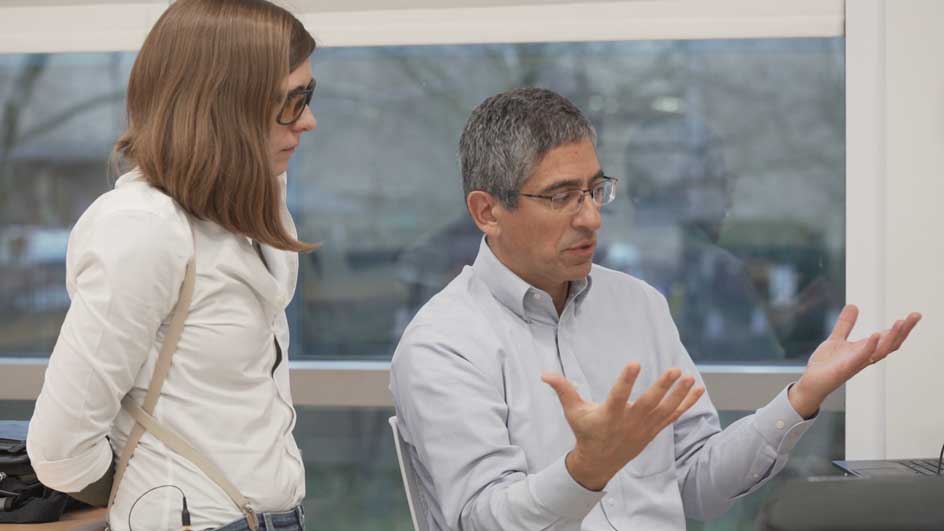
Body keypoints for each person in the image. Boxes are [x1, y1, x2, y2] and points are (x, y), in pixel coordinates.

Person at [389, 88, 921, 531]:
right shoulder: (444, 343)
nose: (592, 218)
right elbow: (481, 521)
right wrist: (585, 471)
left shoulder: (637, 305)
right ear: (488, 211)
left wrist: (801, 398)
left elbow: (691, 485)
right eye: (562, 196)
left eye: (596, 190)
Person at [26, 1, 318, 530]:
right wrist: (147, 489)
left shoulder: (252, 217)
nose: (309, 121)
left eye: (308, 97)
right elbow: (59, 448)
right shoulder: (143, 227)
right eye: (292, 102)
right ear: (223, 105)